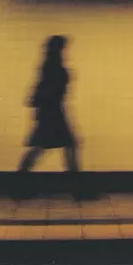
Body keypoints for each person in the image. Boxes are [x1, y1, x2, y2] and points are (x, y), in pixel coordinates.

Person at [17, 35, 83, 198]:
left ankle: (19, 184)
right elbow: (52, 91)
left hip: (48, 112)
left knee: (42, 147)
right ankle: (77, 188)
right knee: (68, 146)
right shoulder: (54, 67)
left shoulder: (48, 65)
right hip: (53, 113)